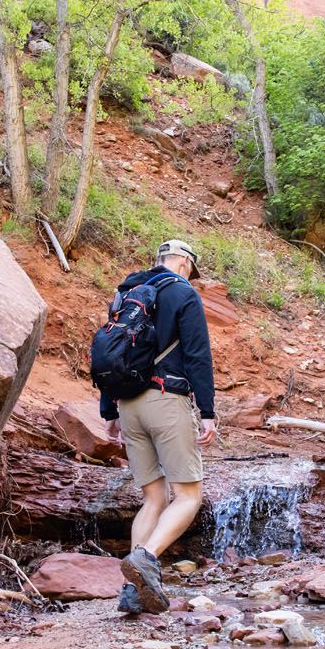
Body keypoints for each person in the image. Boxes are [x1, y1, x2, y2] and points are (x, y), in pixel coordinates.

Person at [100, 239, 217, 614]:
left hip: (129, 405)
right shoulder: (184, 294)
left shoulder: (129, 292)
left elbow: (109, 353)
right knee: (187, 496)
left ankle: (132, 591)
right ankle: (147, 558)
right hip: (167, 399)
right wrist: (209, 410)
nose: (190, 277)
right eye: (190, 270)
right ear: (183, 263)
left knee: (153, 498)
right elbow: (198, 354)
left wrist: (110, 412)